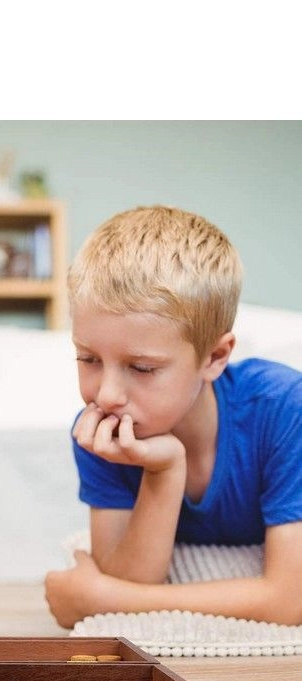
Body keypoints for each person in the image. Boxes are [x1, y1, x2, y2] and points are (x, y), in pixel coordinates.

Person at [45, 205, 302, 629]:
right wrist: (164, 472)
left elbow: (290, 599)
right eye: (88, 358)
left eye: (142, 368)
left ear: (215, 356)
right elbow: (128, 580)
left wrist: (101, 599)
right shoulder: (100, 431)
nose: (106, 395)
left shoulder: (285, 408)